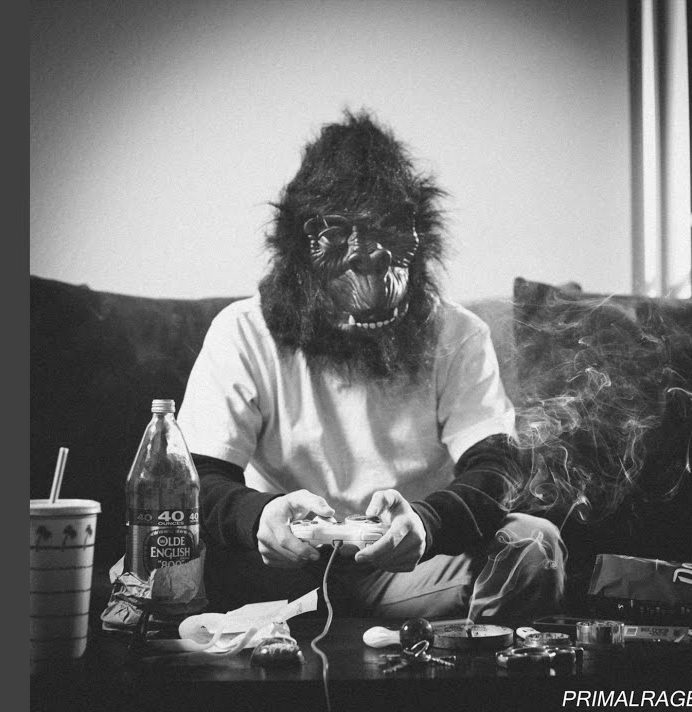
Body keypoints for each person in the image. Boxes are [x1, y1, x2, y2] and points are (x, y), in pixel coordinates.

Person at [177, 109, 563, 621]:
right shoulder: (244, 330)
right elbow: (195, 478)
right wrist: (259, 517)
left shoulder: (456, 332)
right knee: (164, 550)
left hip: (409, 566)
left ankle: (468, 663)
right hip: (278, 566)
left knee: (535, 544)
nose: (370, 263)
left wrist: (426, 524)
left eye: (387, 235)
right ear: (298, 251)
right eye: (342, 238)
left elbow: (497, 467)